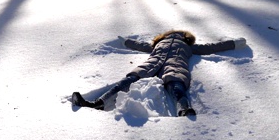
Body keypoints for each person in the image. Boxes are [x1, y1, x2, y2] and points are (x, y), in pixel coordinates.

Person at [72, 30, 247, 117]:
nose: (175, 35)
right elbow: (140, 45)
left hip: (175, 64)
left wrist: (234, 44)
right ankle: (99, 103)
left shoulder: (190, 47)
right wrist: (126, 41)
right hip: (152, 63)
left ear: (186, 38)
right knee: (128, 80)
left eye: (180, 35)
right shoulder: (157, 45)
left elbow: (212, 47)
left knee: (176, 85)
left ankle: (184, 109)